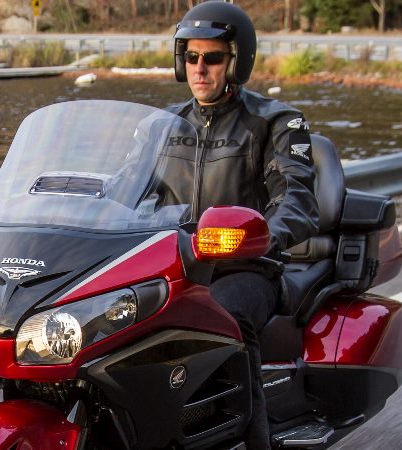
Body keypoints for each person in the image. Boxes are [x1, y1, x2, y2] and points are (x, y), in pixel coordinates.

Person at [164, 1, 320, 448]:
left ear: (236, 61)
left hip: (248, 268)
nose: (199, 69)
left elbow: (297, 200)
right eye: (191, 57)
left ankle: (257, 441)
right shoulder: (164, 126)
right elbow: (128, 190)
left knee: (225, 316)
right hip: (176, 267)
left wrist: (256, 238)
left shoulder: (274, 123)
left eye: (212, 58)